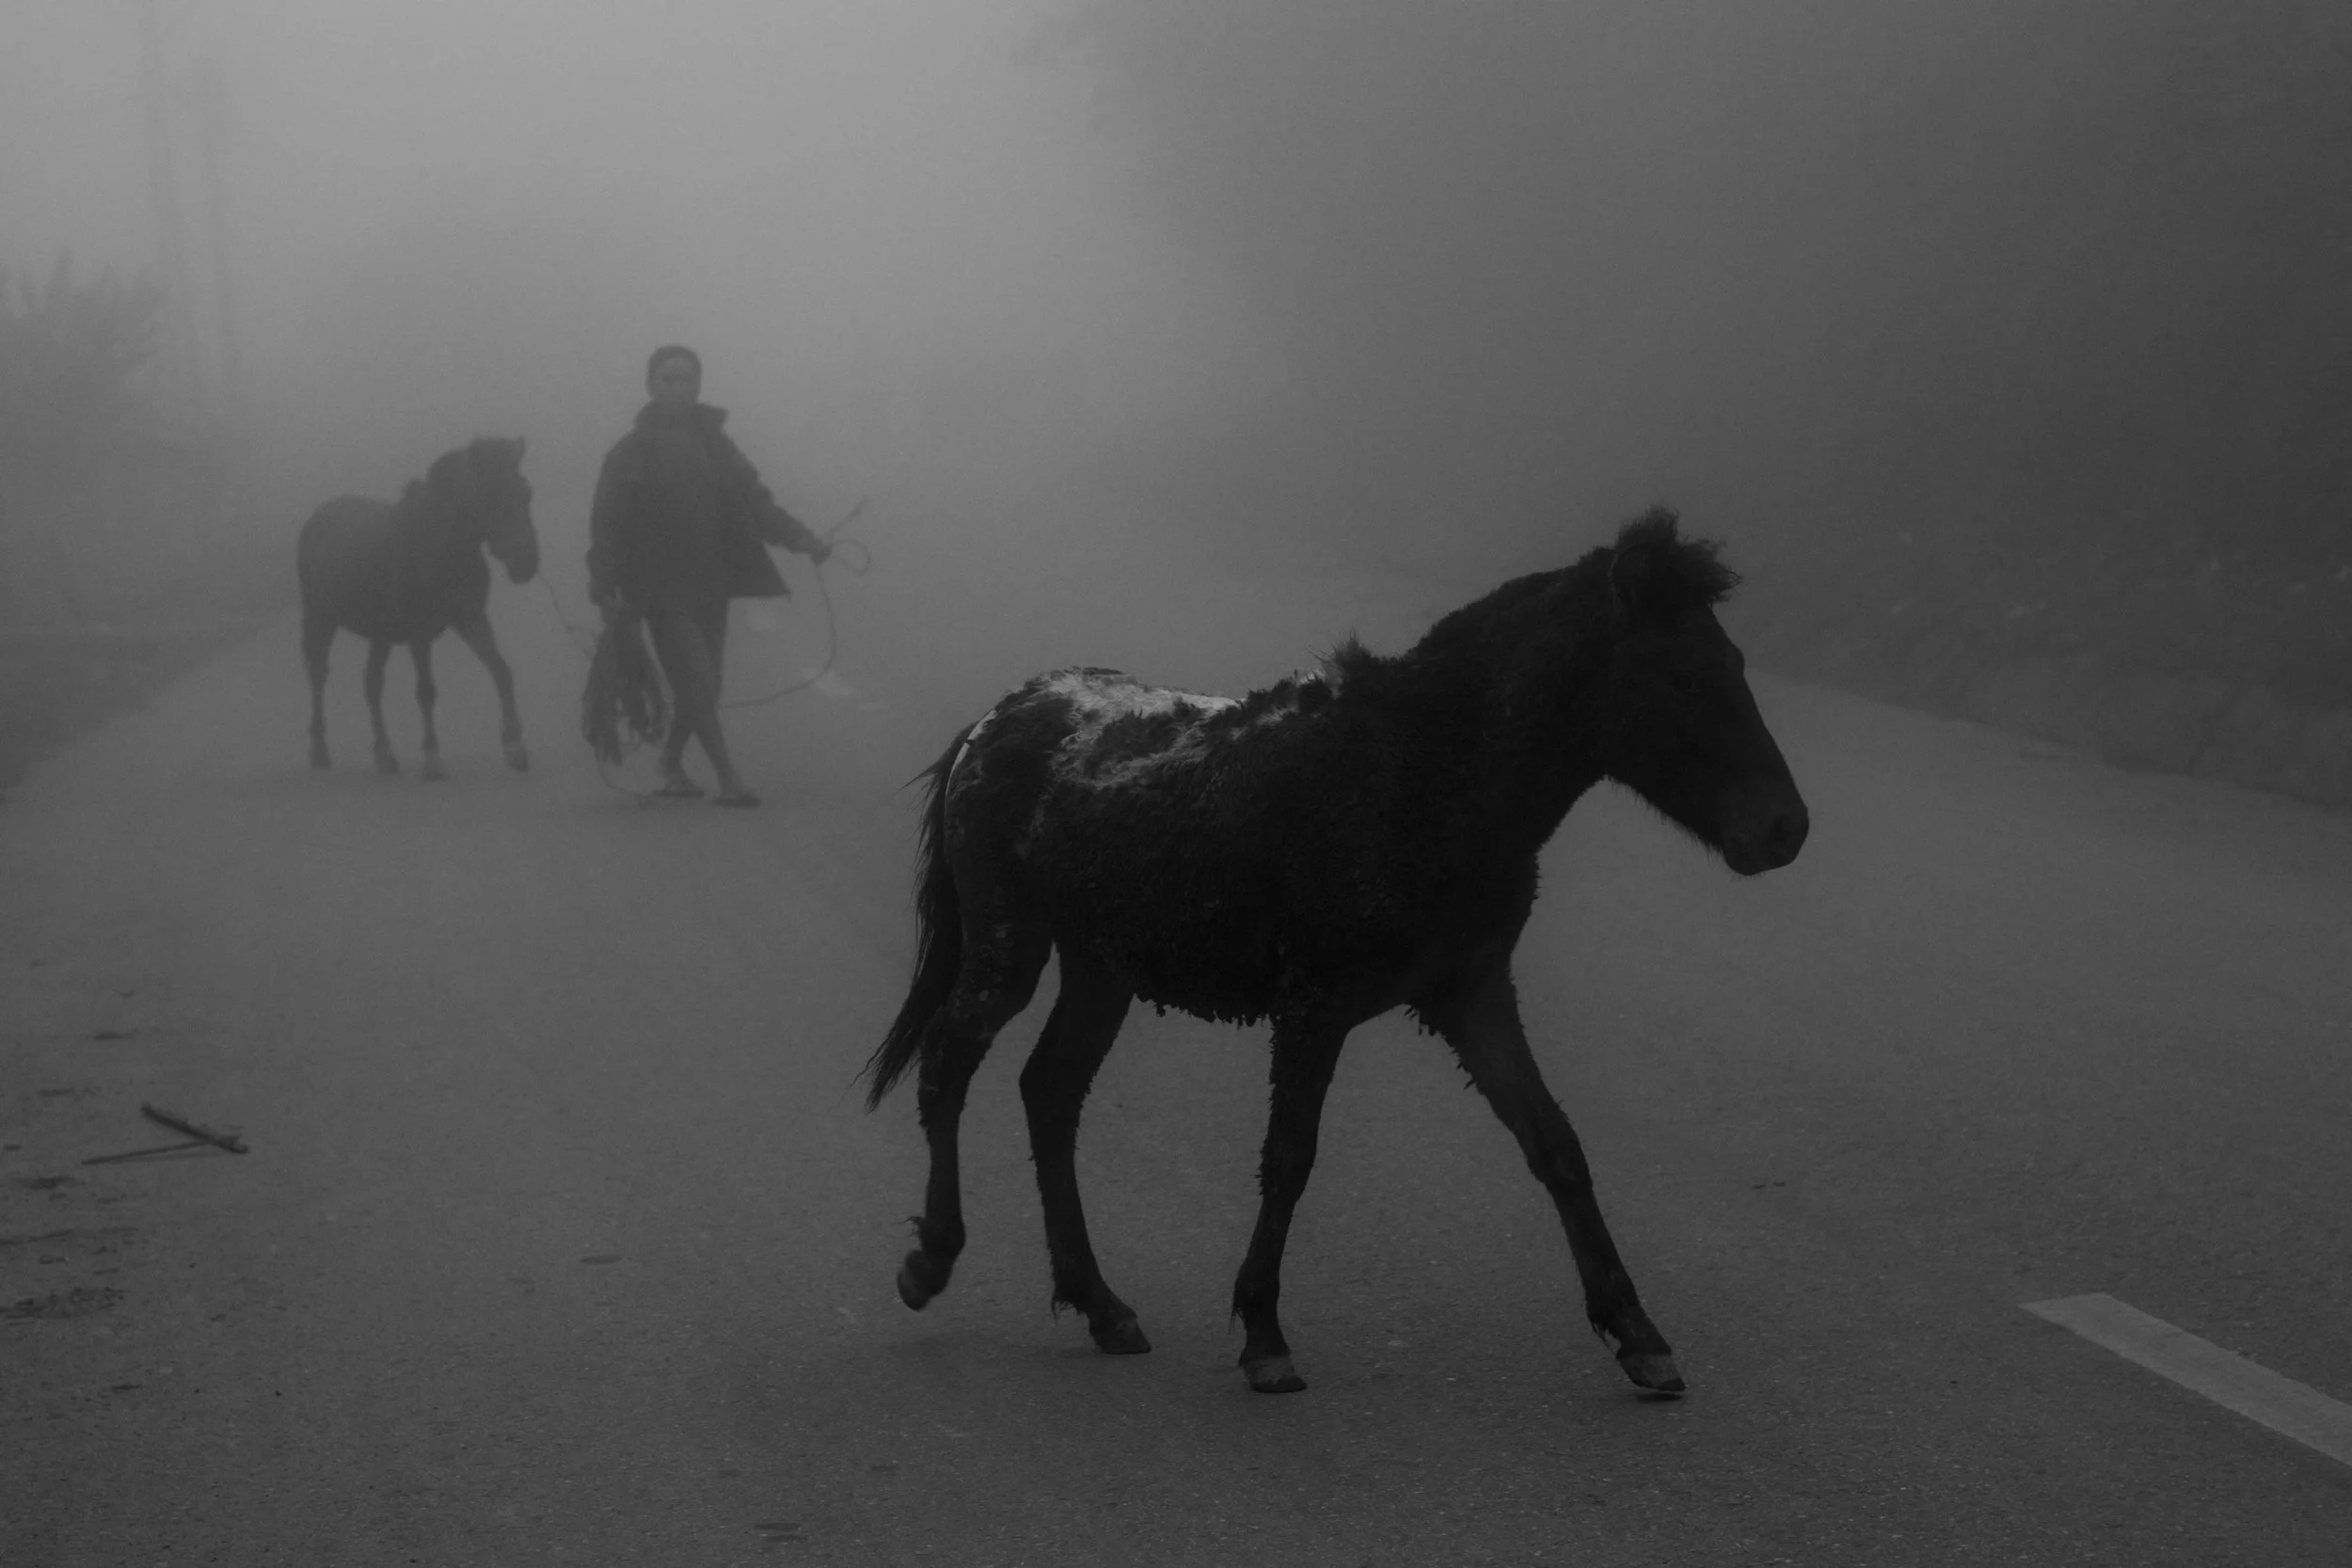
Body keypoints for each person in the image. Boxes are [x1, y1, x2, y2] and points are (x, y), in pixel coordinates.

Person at [586, 345, 830, 807]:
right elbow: (606, 522)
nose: (678, 388)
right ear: (650, 386)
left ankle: (672, 765)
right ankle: (728, 778)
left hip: (712, 584)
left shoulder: (717, 445)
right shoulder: (630, 453)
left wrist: (803, 540)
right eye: (668, 379)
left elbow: (757, 502)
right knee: (696, 681)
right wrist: (604, 582)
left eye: (686, 379)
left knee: (706, 685)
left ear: (699, 384)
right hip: (658, 589)